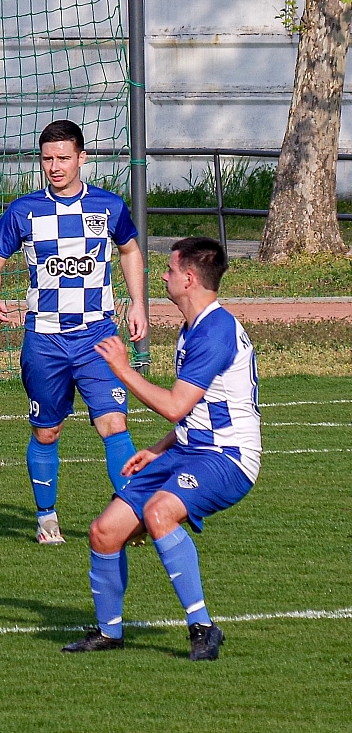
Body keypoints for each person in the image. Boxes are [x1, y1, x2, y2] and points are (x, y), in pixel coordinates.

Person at [62, 237, 258, 662]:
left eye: (169, 270)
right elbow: (196, 410)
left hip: (228, 458)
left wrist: (121, 369)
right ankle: (109, 633)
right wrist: (158, 448)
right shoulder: (194, 327)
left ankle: (202, 628)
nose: (163, 276)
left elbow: (174, 406)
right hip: (188, 451)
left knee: (159, 512)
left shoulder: (216, 331)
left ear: (189, 279)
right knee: (104, 531)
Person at [0, 119, 149, 544]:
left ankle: (130, 517)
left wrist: (138, 303)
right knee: (47, 431)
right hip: (45, 339)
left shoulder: (108, 206)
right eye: (47, 159)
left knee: (114, 423)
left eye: (63, 158)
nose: (54, 167)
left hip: (98, 336)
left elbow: (130, 251)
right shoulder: (24, 211)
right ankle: (46, 518)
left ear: (81, 158)